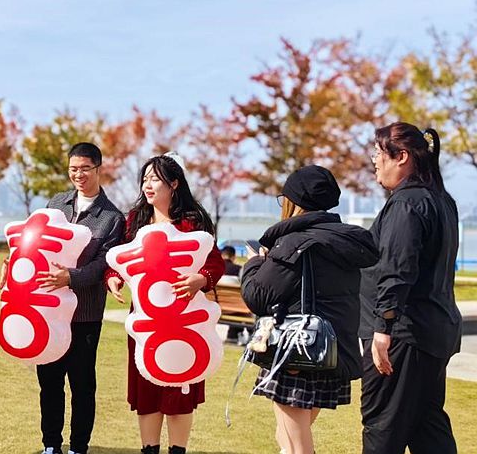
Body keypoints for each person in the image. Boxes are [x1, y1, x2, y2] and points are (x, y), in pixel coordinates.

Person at [240, 165, 378, 454]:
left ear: (293, 202)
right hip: (331, 349)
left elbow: (257, 296)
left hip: (297, 352)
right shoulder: (346, 241)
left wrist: (254, 263)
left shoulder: (295, 242)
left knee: (296, 443)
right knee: (287, 437)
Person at [1, 142, 124, 454]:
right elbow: (32, 242)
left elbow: (104, 263)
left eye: (85, 169)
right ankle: (51, 445)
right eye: (73, 169)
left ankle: (78, 447)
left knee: (82, 384)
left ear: (98, 169)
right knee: (49, 380)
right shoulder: (56, 204)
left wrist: (71, 277)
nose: (78, 175)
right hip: (47, 311)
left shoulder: (112, 217)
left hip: (84, 314)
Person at [105, 154, 225, 454]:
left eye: (155, 179)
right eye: (145, 179)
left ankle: (177, 450)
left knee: (179, 386)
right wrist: (113, 278)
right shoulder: (135, 220)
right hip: (145, 321)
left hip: (184, 320)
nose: (147, 185)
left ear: (174, 184)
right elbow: (118, 259)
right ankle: (149, 449)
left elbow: (215, 263)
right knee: (147, 388)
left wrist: (201, 279)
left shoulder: (193, 221)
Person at [360, 123, 461, 454]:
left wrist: (383, 328)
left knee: (382, 430)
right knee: (428, 429)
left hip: (403, 336)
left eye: (378, 152)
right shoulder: (441, 200)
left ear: (401, 157)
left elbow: (398, 269)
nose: (374, 160)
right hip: (432, 333)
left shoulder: (407, 203)